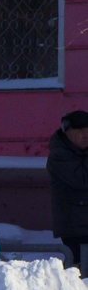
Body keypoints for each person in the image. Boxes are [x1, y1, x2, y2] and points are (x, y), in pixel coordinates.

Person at [47, 110, 88, 273]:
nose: (86, 136)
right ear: (68, 132)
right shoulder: (59, 155)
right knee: (81, 274)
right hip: (76, 228)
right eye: (81, 131)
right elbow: (82, 180)